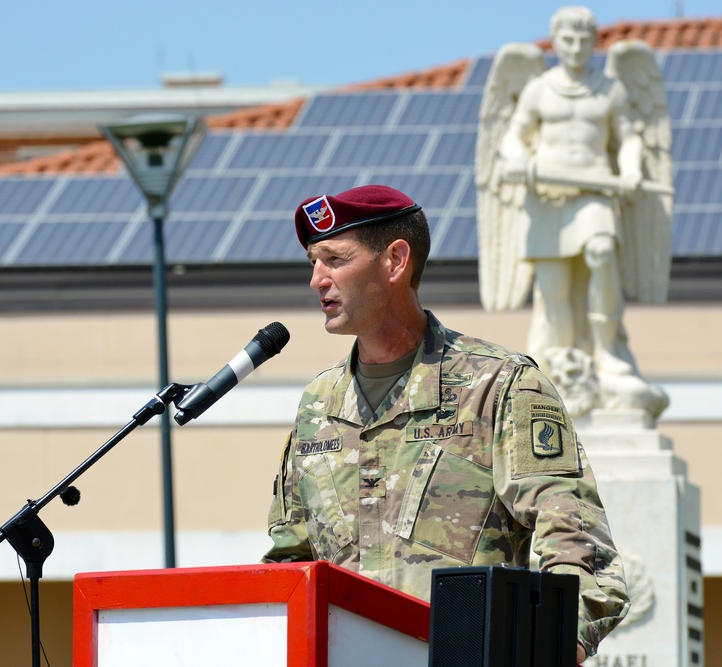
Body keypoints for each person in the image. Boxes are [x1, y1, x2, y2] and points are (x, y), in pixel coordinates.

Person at [262, 184, 629, 661]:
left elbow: (579, 548)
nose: (317, 279)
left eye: (334, 259)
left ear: (395, 261)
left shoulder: (500, 385)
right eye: (313, 262)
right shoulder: (318, 403)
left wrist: (550, 653)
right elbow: (290, 564)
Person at [477, 5, 672, 418]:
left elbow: (629, 138)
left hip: (595, 191)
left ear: (594, 42)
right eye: (568, 39)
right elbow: (513, 136)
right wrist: (515, 159)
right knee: (553, 286)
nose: (576, 47)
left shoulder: (610, 89)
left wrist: (633, 169)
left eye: (584, 39)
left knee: (602, 254)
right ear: (555, 42)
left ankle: (607, 354)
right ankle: (560, 361)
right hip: (548, 197)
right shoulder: (539, 88)